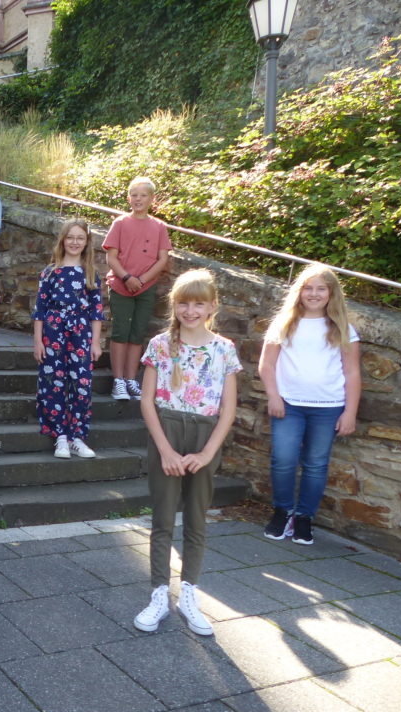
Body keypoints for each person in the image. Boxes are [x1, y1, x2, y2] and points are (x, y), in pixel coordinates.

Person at [134, 269, 241, 637]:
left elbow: (228, 408)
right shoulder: (160, 345)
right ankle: (159, 593)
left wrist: (209, 452)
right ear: (174, 304)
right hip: (167, 430)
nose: (190, 310)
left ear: (212, 306)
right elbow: (147, 402)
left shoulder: (224, 349)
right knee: (163, 519)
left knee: (196, 518)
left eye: (199, 303)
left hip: (204, 434)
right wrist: (164, 450)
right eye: (183, 302)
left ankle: (190, 593)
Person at [258, 264, 361, 545]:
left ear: (331, 293)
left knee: (316, 464)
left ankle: (304, 518)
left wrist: (350, 412)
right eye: (308, 288)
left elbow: (352, 372)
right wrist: (273, 396)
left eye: (321, 289)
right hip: (288, 405)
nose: (314, 294)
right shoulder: (284, 323)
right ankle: (282, 511)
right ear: (299, 291)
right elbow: (266, 365)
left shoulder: (342, 328)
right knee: (283, 460)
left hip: (328, 408)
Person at [33, 218, 104, 459]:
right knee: (54, 382)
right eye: (70, 237)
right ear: (63, 240)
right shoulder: (50, 272)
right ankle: (60, 437)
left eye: (80, 238)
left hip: (81, 332)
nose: (75, 242)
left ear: (86, 242)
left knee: (81, 383)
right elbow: (40, 309)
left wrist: (95, 342)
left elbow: (96, 311)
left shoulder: (91, 274)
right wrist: (37, 341)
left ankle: (77, 436)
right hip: (53, 330)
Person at [103, 176, 172, 402]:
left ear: (152, 199)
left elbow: (162, 260)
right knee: (121, 331)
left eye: (143, 195)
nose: (138, 199)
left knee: (138, 333)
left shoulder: (159, 226)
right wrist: (127, 277)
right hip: (121, 285)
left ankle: (132, 379)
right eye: (134, 195)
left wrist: (141, 280)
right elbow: (111, 257)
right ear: (128, 198)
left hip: (146, 288)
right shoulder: (120, 223)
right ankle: (118, 380)